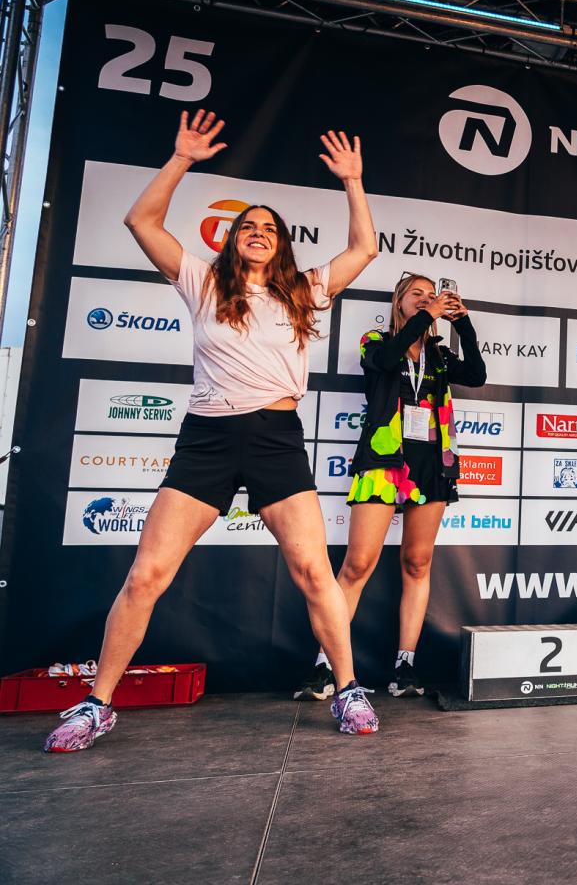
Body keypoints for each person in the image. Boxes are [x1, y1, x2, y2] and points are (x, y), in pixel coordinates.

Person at [45, 112, 380, 752]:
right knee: (146, 576)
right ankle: (96, 703)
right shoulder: (202, 281)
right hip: (208, 439)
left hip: (276, 439)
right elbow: (142, 222)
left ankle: (348, 689)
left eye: (269, 228)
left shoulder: (304, 291)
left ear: (281, 245)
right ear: (232, 240)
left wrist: (353, 182)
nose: (258, 233)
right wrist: (181, 159)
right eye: (247, 226)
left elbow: (364, 249)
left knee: (316, 572)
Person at [294, 274, 487, 701]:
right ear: (399, 302)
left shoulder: (438, 354)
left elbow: (476, 374)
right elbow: (385, 361)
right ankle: (325, 665)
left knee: (417, 563)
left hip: (432, 463)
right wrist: (427, 317)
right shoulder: (376, 342)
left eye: (430, 294)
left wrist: (463, 323)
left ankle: (406, 665)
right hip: (384, 461)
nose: (425, 298)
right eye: (416, 294)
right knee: (357, 565)